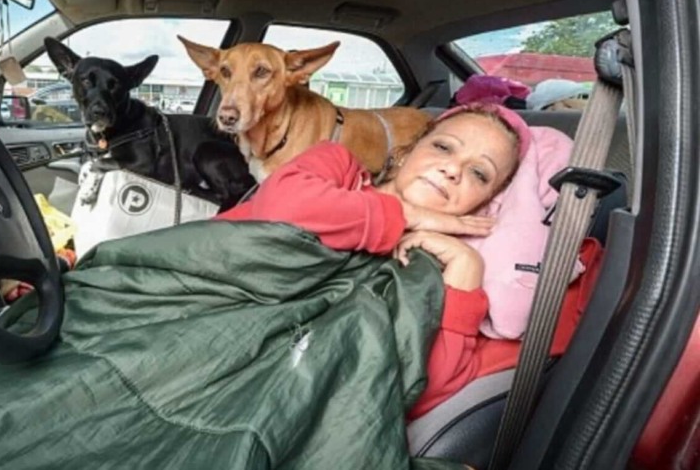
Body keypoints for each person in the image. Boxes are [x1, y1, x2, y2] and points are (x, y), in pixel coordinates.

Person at [215, 101, 603, 419]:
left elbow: (416, 390)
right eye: (444, 147)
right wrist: (407, 215)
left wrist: (466, 270)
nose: (453, 169)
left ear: (484, 204)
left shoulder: (433, 267)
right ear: (405, 152)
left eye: (479, 174)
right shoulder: (336, 167)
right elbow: (281, 210)